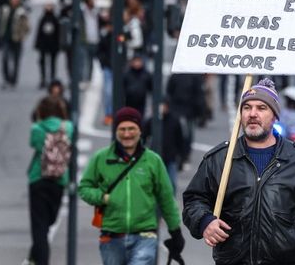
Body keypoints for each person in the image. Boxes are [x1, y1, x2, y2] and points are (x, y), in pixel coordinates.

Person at [182, 78, 295, 265]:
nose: (253, 114)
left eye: (261, 108)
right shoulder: (221, 159)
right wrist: (205, 221)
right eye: (247, 108)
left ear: (275, 116)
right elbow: (194, 200)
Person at [79, 107, 185, 265]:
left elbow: (166, 198)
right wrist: (101, 197)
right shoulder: (101, 158)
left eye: (131, 129)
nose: (127, 134)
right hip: (111, 237)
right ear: (116, 131)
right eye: (122, 129)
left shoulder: (152, 160)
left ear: (140, 131)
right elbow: (84, 188)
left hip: (145, 236)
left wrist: (175, 231)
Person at [26, 96, 73, 265]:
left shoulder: (38, 128)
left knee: (39, 227)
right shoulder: (68, 127)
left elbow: (34, 144)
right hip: (59, 180)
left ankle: (39, 259)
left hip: (38, 178)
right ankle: (34, 256)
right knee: (49, 221)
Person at [142, 98, 185, 193]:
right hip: (155, 157)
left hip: (170, 157)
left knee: (171, 183)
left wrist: (181, 157)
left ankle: (170, 202)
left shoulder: (174, 121)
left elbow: (180, 140)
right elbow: (144, 136)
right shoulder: (151, 121)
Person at [0, 0, 30, 88]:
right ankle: (6, 78)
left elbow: (26, 27)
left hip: (16, 39)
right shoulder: (5, 10)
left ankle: (14, 79)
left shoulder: (22, 12)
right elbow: (0, 24)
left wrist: (22, 36)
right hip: (6, 38)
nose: (14, 1)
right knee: (5, 58)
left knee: (16, 60)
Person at [34, 4, 60, 89]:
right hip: (43, 45)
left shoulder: (55, 19)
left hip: (53, 45)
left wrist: (58, 45)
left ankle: (52, 79)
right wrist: (37, 44)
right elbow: (39, 33)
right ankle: (43, 79)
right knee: (42, 62)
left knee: (53, 63)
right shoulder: (42, 19)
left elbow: (58, 33)